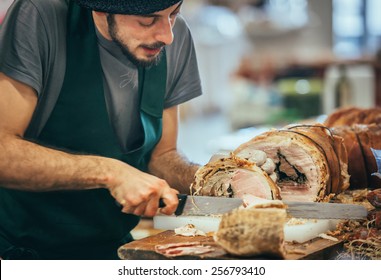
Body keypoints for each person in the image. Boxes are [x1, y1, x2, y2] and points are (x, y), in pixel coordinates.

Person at [0, 0, 202, 260]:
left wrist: (216, 181)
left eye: (174, 14)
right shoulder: (41, 15)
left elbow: (161, 157)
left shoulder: (175, 36)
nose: (167, 36)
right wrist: (110, 172)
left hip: (113, 248)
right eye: (148, 19)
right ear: (101, 9)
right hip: (23, 250)